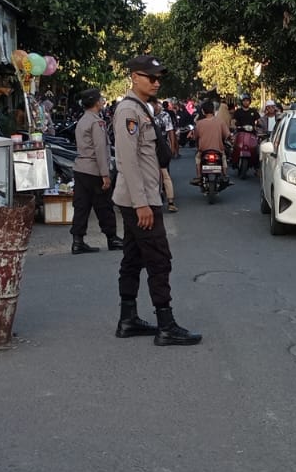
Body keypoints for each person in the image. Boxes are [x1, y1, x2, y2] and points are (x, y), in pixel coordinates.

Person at [111, 55, 200, 346]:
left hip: (142, 195)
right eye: (151, 77)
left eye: (159, 77)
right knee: (159, 259)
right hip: (141, 198)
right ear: (135, 77)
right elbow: (127, 161)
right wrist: (142, 204)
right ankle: (166, 325)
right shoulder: (128, 111)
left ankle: (128, 319)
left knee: (134, 257)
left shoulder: (141, 109)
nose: (157, 81)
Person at [69, 88, 121, 254]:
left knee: (81, 206)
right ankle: (112, 238)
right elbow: (100, 149)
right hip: (94, 170)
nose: (103, 102)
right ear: (96, 102)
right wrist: (105, 174)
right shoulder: (96, 122)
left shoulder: (82, 120)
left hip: (81, 169)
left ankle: (77, 241)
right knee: (104, 205)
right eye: (101, 99)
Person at [190, 98, 230, 186]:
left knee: (197, 159)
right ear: (213, 110)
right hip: (218, 150)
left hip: (203, 151)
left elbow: (195, 137)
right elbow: (227, 135)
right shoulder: (220, 122)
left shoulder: (199, 123)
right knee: (223, 158)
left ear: (203, 111)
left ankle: (199, 176)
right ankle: (225, 174)